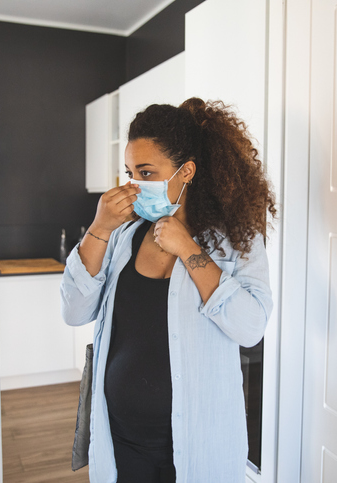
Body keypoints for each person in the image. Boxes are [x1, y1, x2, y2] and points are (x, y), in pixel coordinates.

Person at [61, 97, 276, 483]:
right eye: (129, 172)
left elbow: (251, 326)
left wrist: (189, 249)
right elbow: (75, 311)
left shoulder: (233, 243)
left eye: (146, 172)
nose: (134, 185)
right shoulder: (123, 236)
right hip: (122, 440)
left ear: (186, 171)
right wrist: (101, 226)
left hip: (198, 441)